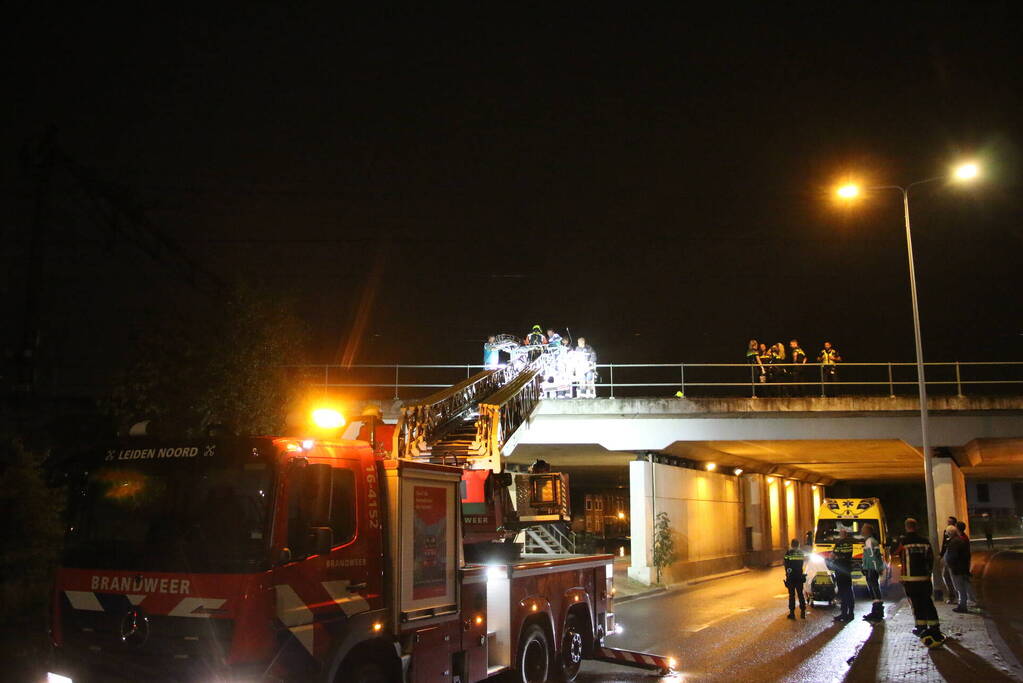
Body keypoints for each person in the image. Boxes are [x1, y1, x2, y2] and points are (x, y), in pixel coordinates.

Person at [895, 517, 946, 648]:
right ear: (916, 527)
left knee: (916, 604)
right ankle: (934, 627)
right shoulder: (925, 542)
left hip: (910, 580)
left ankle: (920, 627)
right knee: (928, 602)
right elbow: (930, 559)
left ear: (906, 527)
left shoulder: (903, 542)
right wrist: (928, 573)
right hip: (924, 578)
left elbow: (894, 552)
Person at [945, 525, 975, 613]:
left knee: (959, 588)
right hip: (962, 567)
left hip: (957, 569)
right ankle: (964, 603)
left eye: (947, 533)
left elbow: (952, 556)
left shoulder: (954, 542)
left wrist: (951, 565)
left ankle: (962, 606)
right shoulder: (960, 540)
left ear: (950, 533)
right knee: (963, 586)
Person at [828, 527, 855, 622]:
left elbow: (832, 555)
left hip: (840, 569)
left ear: (841, 534)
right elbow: (849, 555)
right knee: (849, 591)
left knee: (843, 592)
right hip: (847, 569)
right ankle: (851, 613)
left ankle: (843, 613)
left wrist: (833, 558)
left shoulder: (839, 543)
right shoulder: (850, 544)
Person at [861, 523, 885, 622]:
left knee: (874, 589)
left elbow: (872, 557)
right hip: (872, 568)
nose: (861, 531)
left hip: (871, 569)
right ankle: (877, 611)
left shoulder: (869, 541)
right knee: (874, 589)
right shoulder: (872, 540)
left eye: (863, 529)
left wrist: (872, 568)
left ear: (867, 531)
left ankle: (877, 612)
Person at [783, 539, 807, 619]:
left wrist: (787, 573)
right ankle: (803, 612)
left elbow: (786, 564)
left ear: (791, 545)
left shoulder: (788, 553)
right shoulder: (801, 553)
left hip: (791, 577)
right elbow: (802, 563)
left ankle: (792, 613)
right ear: (798, 545)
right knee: (800, 594)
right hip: (799, 576)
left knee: (792, 595)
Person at [939, 516, 959, 604]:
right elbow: (944, 544)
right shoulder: (946, 532)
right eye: (948, 522)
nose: (948, 524)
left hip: (952, 560)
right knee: (947, 576)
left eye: (950, 522)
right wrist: (941, 554)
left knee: (951, 577)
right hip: (948, 558)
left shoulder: (956, 537)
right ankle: (953, 595)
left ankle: (956, 596)